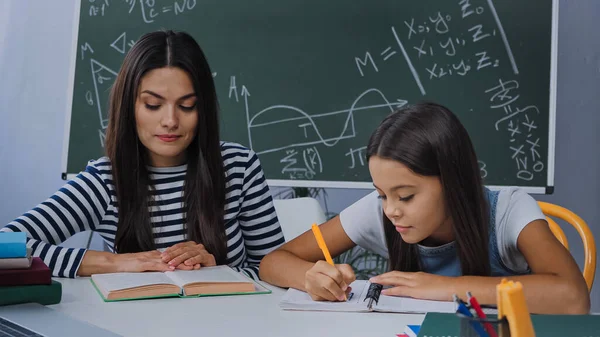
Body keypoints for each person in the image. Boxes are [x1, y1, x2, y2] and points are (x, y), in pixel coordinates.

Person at [1, 30, 285, 280]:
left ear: (203, 111)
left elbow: (275, 269)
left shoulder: (239, 167)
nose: (170, 121)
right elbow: (5, 247)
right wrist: (119, 262)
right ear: (129, 107)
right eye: (153, 105)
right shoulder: (105, 181)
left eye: (186, 106)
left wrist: (219, 272)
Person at [260, 102, 590, 314]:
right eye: (381, 194)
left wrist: (447, 289)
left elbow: (572, 296)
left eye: (405, 196)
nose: (391, 210)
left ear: (453, 181)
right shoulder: (382, 210)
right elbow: (273, 262)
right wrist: (312, 278)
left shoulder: (509, 211)